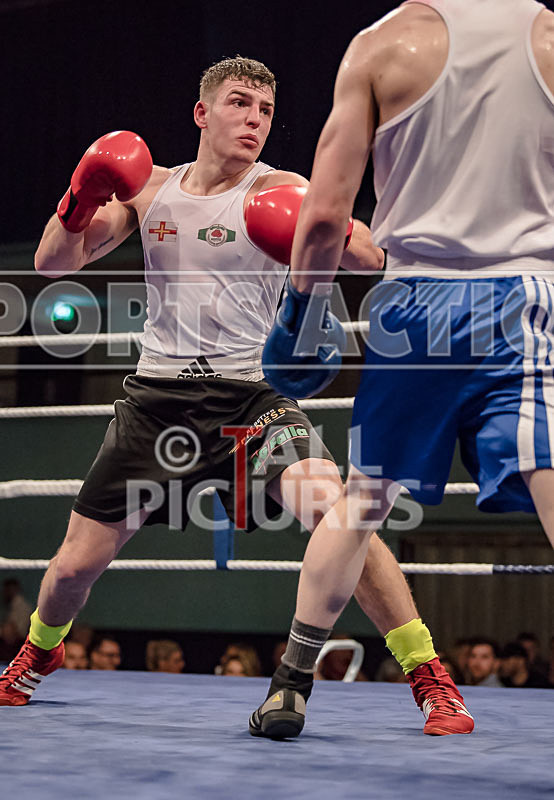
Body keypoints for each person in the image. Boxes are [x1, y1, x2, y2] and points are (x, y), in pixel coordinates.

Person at [0, 56, 435, 715]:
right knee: (71, 569)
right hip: (156, 400)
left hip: (251, 398)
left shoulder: (285, 186)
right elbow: (51, 262)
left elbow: (371, 257)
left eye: (264, 110)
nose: (254, 120)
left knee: (339, 510)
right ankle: (40, 648)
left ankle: (426, 672)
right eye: (239, 104)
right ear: (203, 113)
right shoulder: (152, 192)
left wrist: (329, 225)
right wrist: (83, 193)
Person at [251, 0, 554, 739]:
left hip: (414, 301)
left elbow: (323, 217)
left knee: (361, 504)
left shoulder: (382, 44)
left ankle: (291, 684)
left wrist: (301, 313)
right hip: (525, 295)